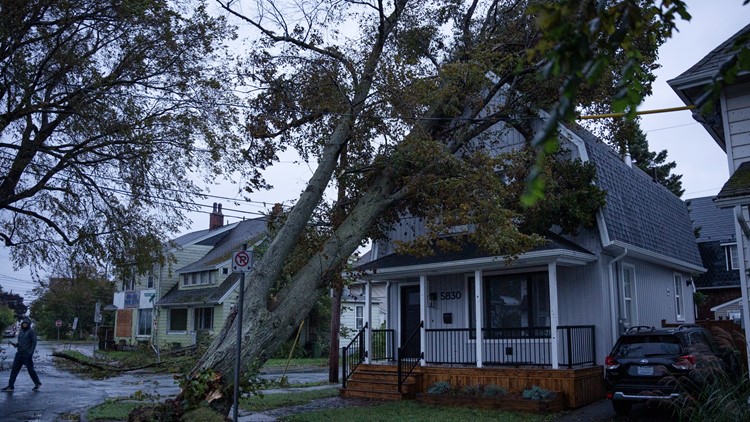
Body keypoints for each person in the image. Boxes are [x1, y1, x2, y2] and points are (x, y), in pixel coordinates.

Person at [2, 317, 41, 392]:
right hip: (19, 354)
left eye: (26, 324)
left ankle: (37, 383)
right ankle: (10, 386)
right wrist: (14, 344)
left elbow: (34, 343)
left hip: (27, 355)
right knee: (14, 370)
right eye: (23, 324)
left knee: (30, 370)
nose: (24, 325)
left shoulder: (31, 332)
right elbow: (20, 343)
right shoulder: (21, 332)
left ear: (29, 324)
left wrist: (30, 353)